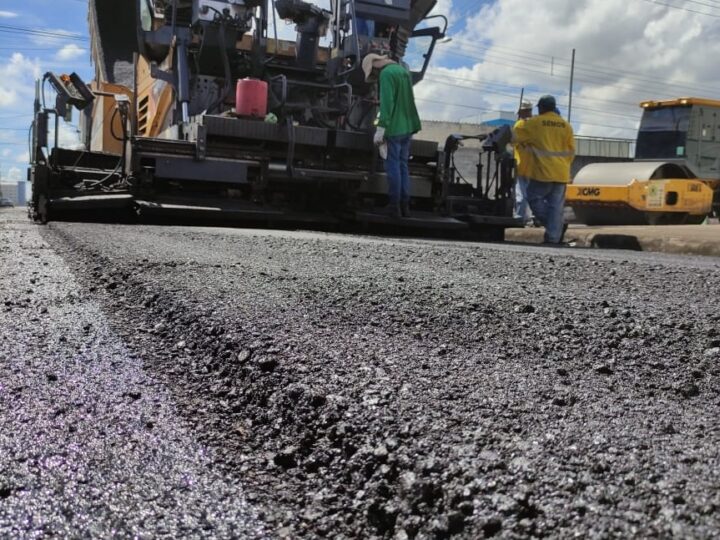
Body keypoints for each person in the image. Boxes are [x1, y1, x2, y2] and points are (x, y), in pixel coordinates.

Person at [362, 53, 422, 218]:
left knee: (393, 167)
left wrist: (381, 128)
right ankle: (405, 206)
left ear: (375, 65)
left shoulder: (386, 74)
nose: (375, 76)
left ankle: (394, 206)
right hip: (408, 127)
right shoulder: (402, 71)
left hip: (394, 129)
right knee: (403, 167)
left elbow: (388, 104)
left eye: (373, 72)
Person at [513, 95, 575, 244]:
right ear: (553, 108)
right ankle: (553, 237)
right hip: (561, 172)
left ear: (540, 108)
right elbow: (571, 151)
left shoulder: (535, 123)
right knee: (556, 206)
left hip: (542, 171)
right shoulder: (566, 125)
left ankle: (555, 226)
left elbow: (515, 139)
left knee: (533, 198)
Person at [512, 101, 534, 224]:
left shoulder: (519, 125)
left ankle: (520, 218)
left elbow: (513, 141)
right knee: (529, 194)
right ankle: (528, 217)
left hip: (521, 166)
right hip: (531, 167)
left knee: (521, 195)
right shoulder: (536, 126)